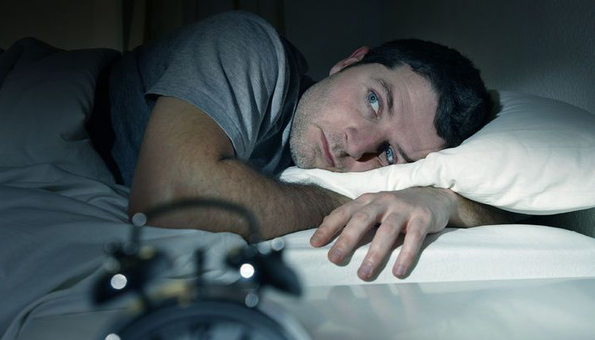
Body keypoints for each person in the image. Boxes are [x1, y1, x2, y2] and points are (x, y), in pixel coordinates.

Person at [109, 11, 510, 281]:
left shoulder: (363, 164)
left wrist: (443, 201)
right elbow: (168, 197)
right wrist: (344, 198)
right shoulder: (248, 44)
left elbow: (511, 210)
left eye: (389, 154)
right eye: (373, 101)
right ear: (350, 62)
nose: (357, 146)